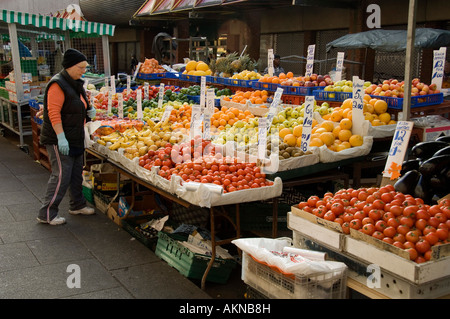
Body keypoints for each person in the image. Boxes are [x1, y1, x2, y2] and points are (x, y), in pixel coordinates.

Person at [37, 48, 96, 225]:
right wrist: (60, 137)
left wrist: (88, 111)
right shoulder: (58, 84)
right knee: (61, 175)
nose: (84, 71)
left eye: (85, 67)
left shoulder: (75, 82)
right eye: (81, 67)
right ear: (70, 66)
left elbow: (77, 106)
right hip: (59, 138)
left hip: (75, 136)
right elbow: (53, 113)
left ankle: (77, 205)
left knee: (77, 173)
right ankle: (47, 213)